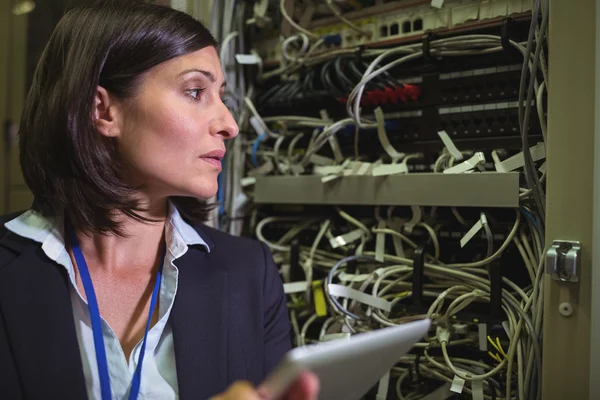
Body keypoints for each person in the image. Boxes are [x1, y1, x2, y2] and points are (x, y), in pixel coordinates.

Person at [0, 1, 318, 399]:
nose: (229, 125)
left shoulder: (250, 274)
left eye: (222, 96)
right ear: (104, 110)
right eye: (195, 91)